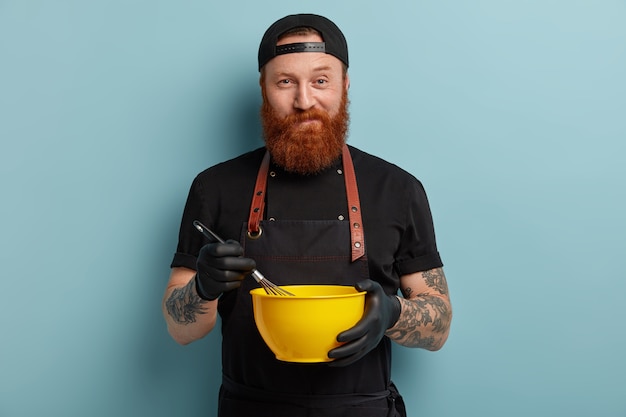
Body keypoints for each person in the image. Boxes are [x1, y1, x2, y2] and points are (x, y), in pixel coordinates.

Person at [162, 13, 452, 417]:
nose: (304, 101)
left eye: (320, 80)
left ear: (344, 86)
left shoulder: (398, 190)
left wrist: (393, 313)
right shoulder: (215, 187)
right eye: (285, 82)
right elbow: (181, 330)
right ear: (264, 89)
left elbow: (438, 327)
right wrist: (203, 289)